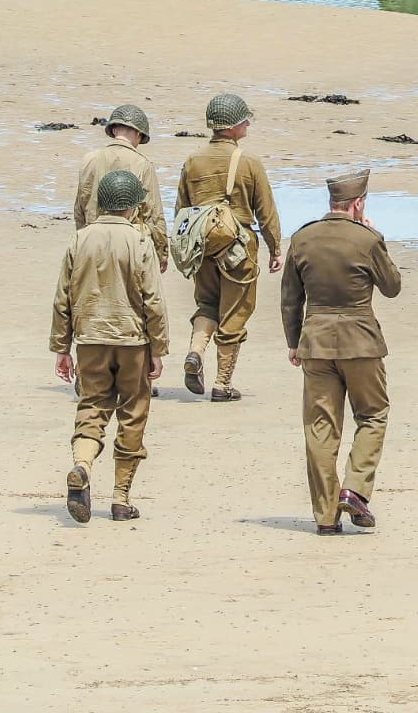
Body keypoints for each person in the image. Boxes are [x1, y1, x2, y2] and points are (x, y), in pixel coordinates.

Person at [280, 169, 401, 535]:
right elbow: (392, 286)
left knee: (320, 429)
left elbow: (290, 298)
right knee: (374, 414)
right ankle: (355, 488)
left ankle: (326, 516)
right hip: (361, 341)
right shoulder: (366, 239)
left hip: (315, 342)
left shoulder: (303, 238)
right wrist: (376, 235)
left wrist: (293, 341)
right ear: (359, 203)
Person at [51, 168, 169, 523]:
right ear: (133, 208)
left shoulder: (79, 239)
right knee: (132, 414)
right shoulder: (140, 242)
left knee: (92, 408)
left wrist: (62, 346)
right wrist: (159, 348)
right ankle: (120, 498)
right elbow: (153, 301)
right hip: (133, 341)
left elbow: (63, 298)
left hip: (89, 339)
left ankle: (82, 465)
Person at [175, 93, 282, 401]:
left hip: (202, 245)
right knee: (235, 313)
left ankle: (196, 351)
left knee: (207, 305)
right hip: (239, 248)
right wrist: (276, 249)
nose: (248, 123)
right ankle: (222, 384)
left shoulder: (193, 161)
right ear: (234, 126)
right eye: (245, 120)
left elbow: (182, 211)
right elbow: (266, 212)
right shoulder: (249, 162)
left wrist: (184, 249)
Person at [74, 103, 168, 273]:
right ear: (139, 134)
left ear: (114, 130)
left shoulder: (88, 160)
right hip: (128, 247)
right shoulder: (143, 164)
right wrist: (161, 253)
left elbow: (80, 209)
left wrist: (82, 242)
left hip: (92, 244)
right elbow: (153, 214)